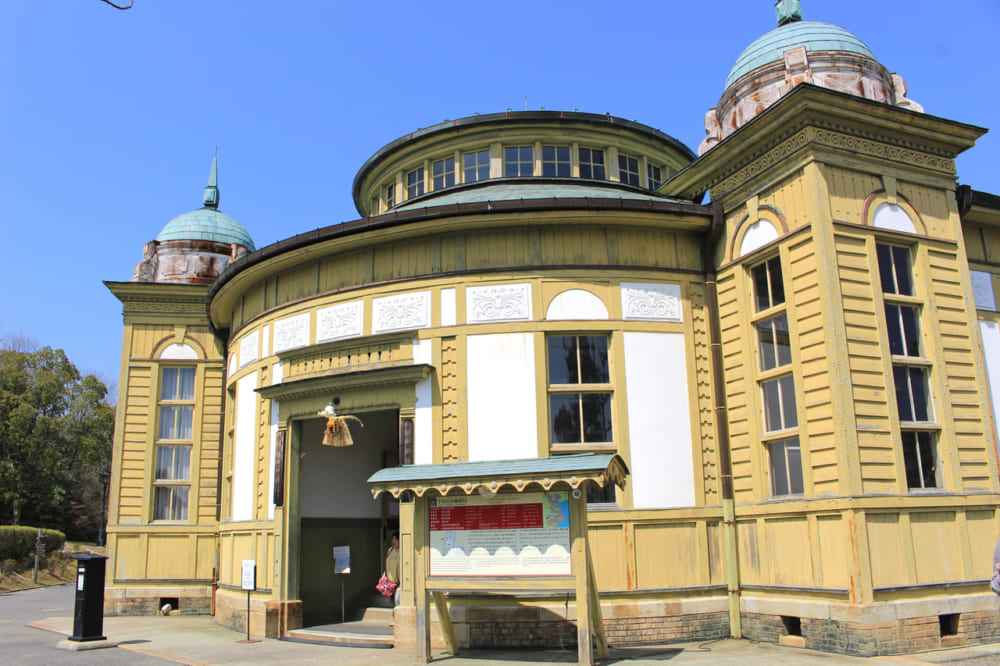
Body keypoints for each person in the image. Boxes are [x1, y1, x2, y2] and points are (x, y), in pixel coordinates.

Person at [386, 533, 401, 606]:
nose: (393, 542)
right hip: (390, 584)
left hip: (400, 584)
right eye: (392, 539)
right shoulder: (390, 550)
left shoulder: (405, 552)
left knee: (398, 601)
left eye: (395, 539)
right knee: (393, 604)